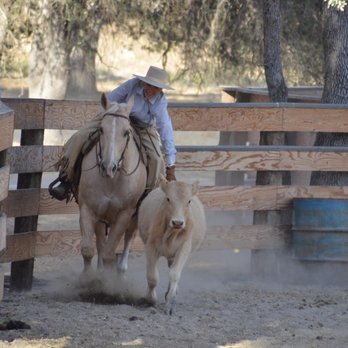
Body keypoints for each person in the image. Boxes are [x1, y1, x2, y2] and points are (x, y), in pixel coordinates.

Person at [49, 65, 177, 201]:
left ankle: (147, 196)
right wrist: (115, 113)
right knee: (79, 137)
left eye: (156, 88)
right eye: (149, 85)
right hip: (117, 116)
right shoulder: (132, 85)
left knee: (156, 159)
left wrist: (171, 165)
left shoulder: (160, 102)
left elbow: (165, 129)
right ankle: (65, 179)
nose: (151, 90)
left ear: (161, 89)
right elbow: (111, 98)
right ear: (144, 82)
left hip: (143, 127)